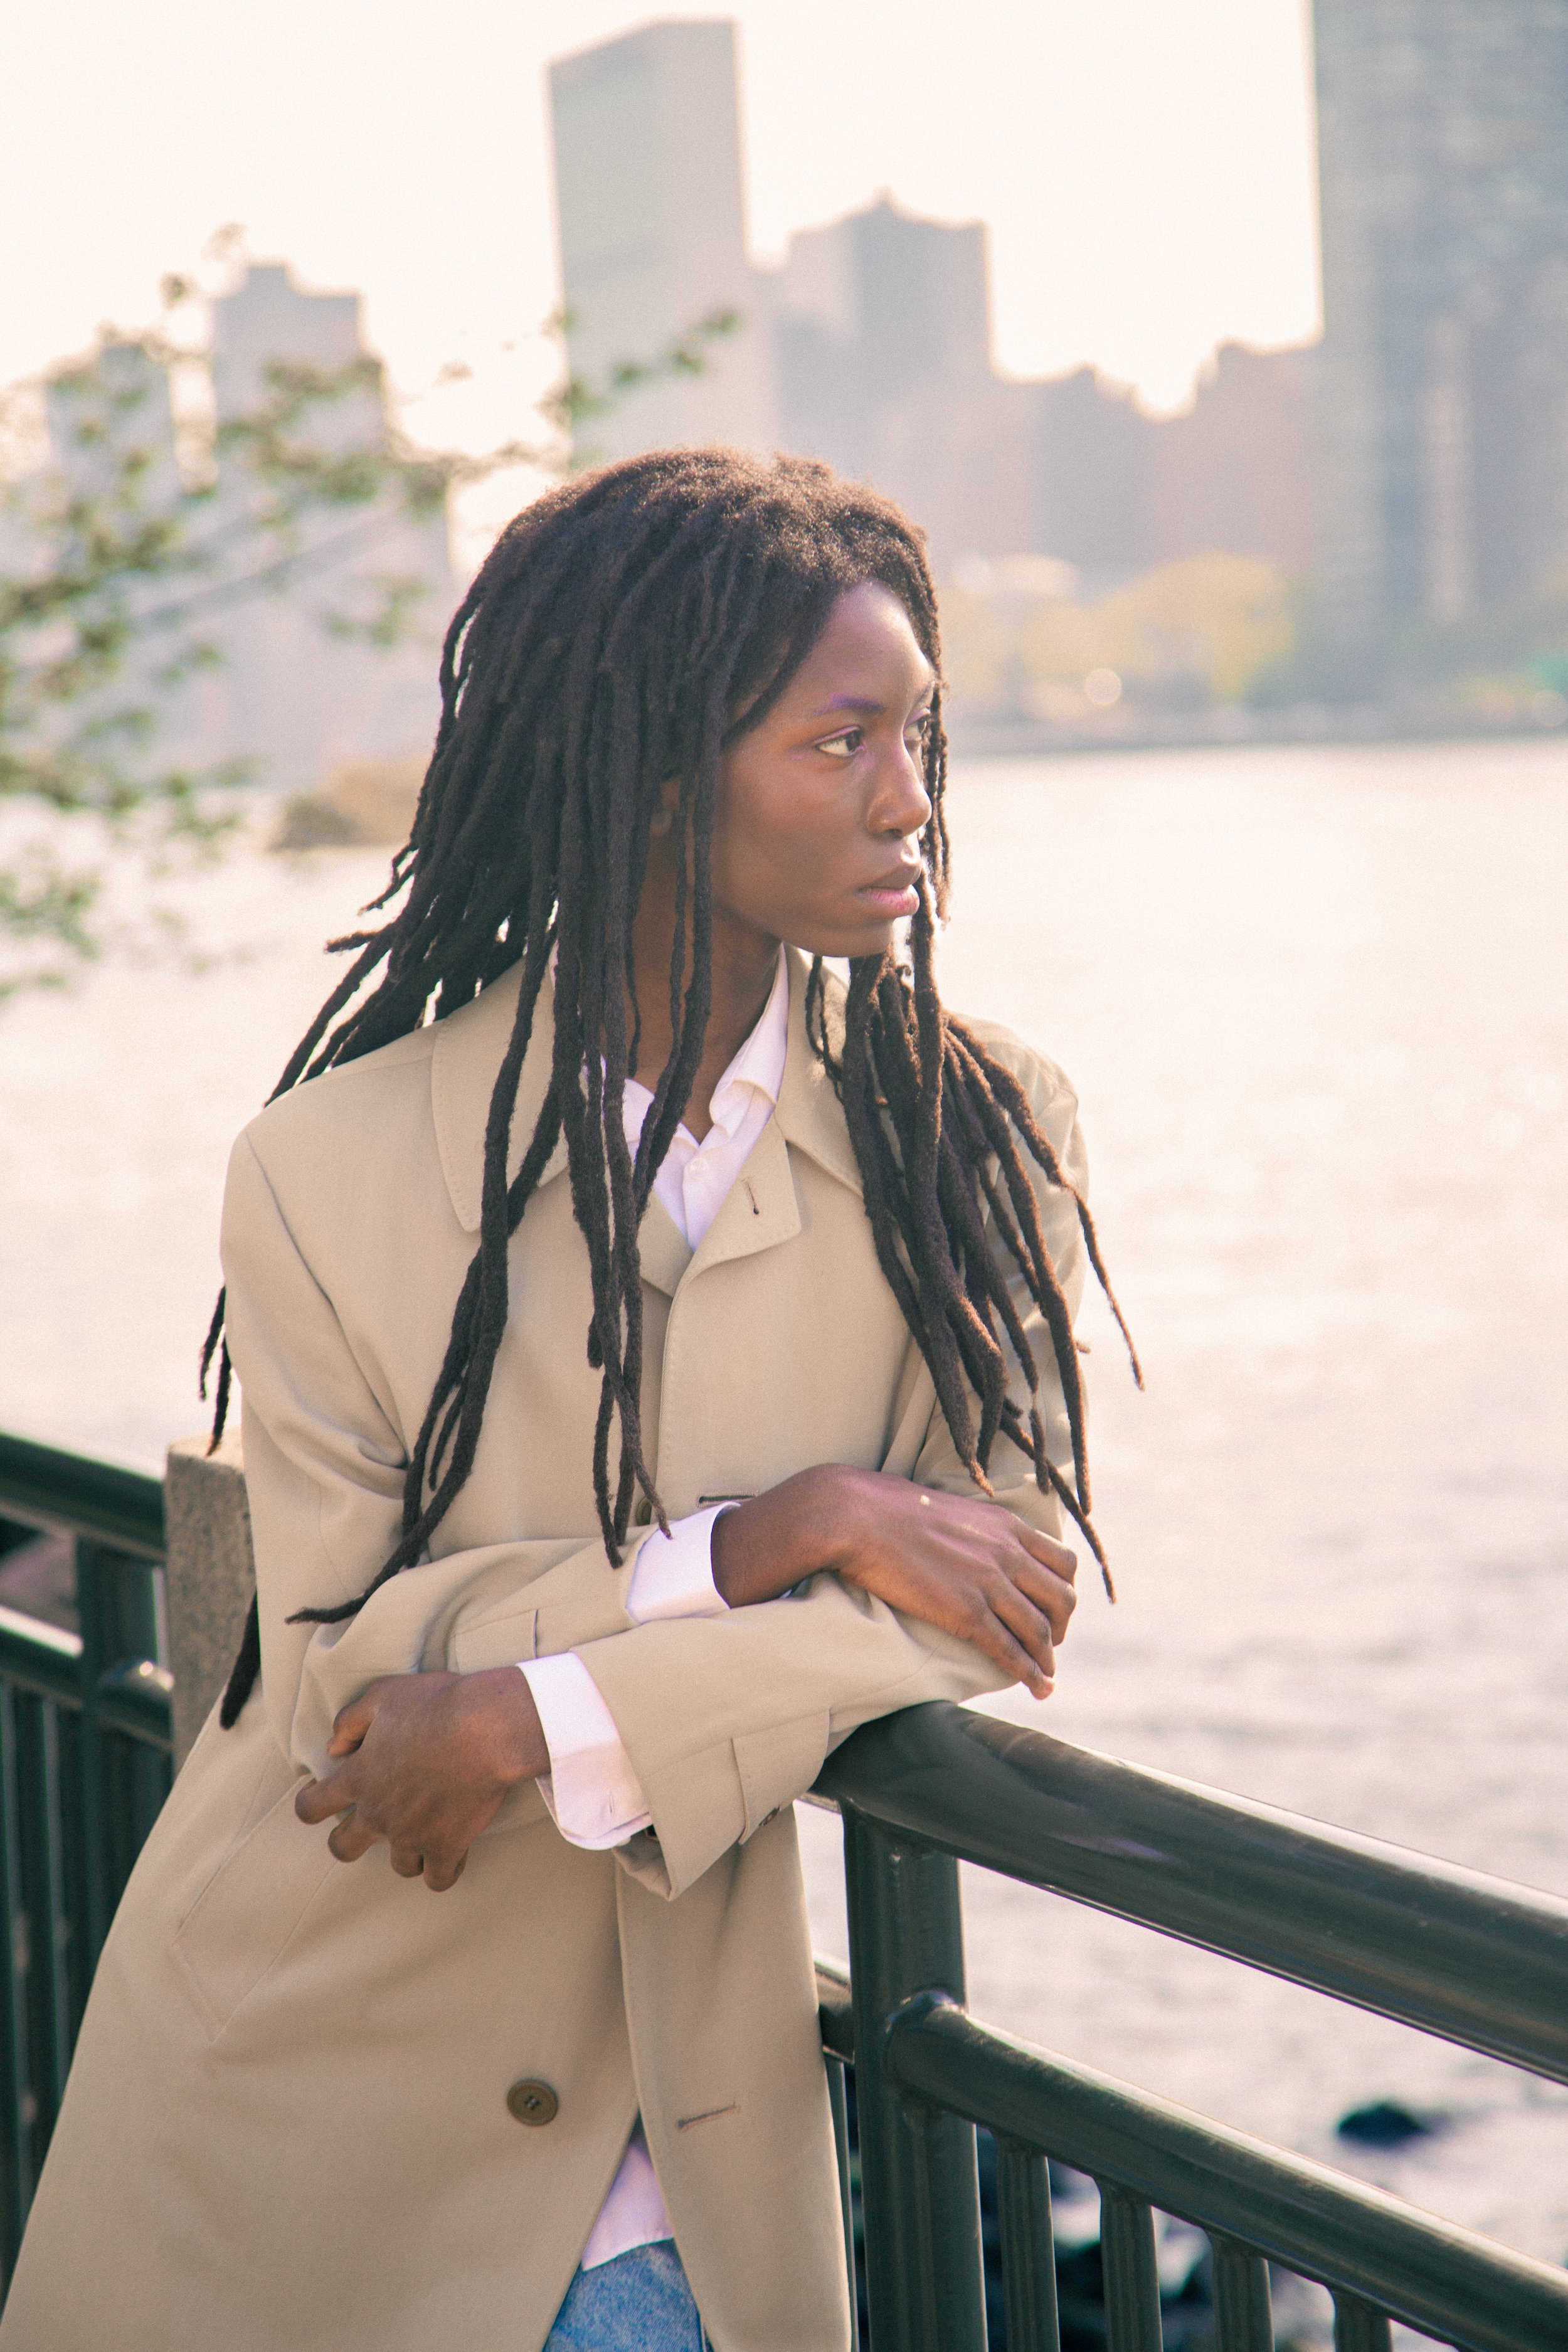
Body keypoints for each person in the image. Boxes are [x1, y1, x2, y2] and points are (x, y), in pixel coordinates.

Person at [1, 448, 1133, 2352]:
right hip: (297, 2081)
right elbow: (345, 1673)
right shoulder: (329, 1165)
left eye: (918, 737)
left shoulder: (976, 1130)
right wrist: (787, 1537)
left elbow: (993, 1592)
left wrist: (532, 1707)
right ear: (656, 773)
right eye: (839, 741)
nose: (909, 805)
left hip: (678, 2139)